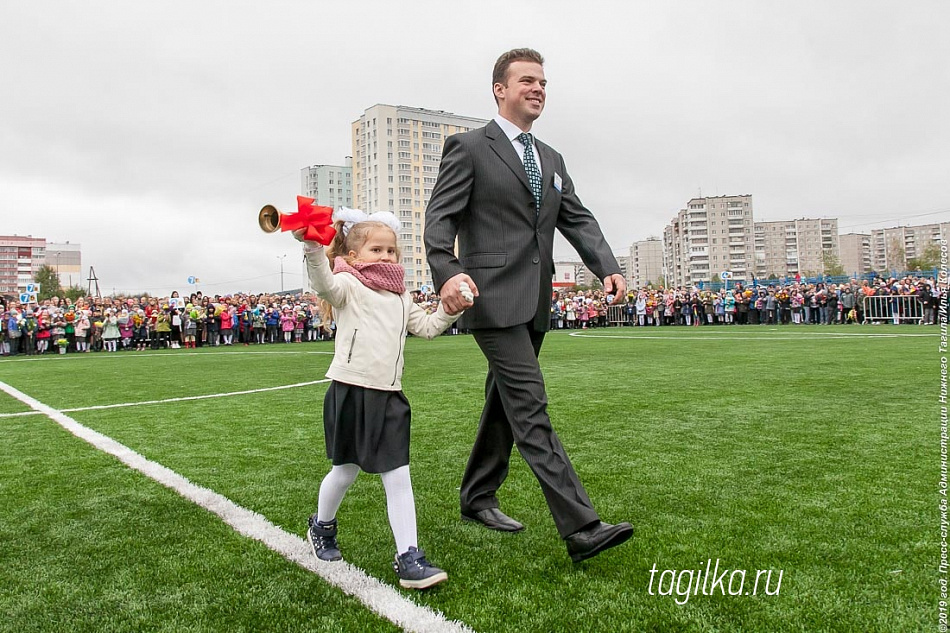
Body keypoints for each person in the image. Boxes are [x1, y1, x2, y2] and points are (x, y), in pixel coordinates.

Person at [424, 47, 632, 563]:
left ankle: (477, 496)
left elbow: (578, 219)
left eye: (543, 82)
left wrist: (606, 265)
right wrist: (448, 274)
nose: (538, 89)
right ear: (500, 89)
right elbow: (438, 220)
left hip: (535, 299)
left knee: (505, 402)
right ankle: (581, 526)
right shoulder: (468, 148)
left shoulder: (552, 159)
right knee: (530, 405)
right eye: (527, 81)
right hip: (490, 298)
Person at [296, 208, 466, 590]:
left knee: (398, 475)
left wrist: (449, 310)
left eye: (391, 251)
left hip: (390, 398)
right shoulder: (346, 283)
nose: (386, 257)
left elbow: (425, 327)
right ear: (354, 256)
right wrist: (312, 248)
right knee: (345, 471)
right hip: (351, 392)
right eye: (377, 249)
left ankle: (409, 556)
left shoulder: (401, 296)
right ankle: (321, 526)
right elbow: (324, 284)